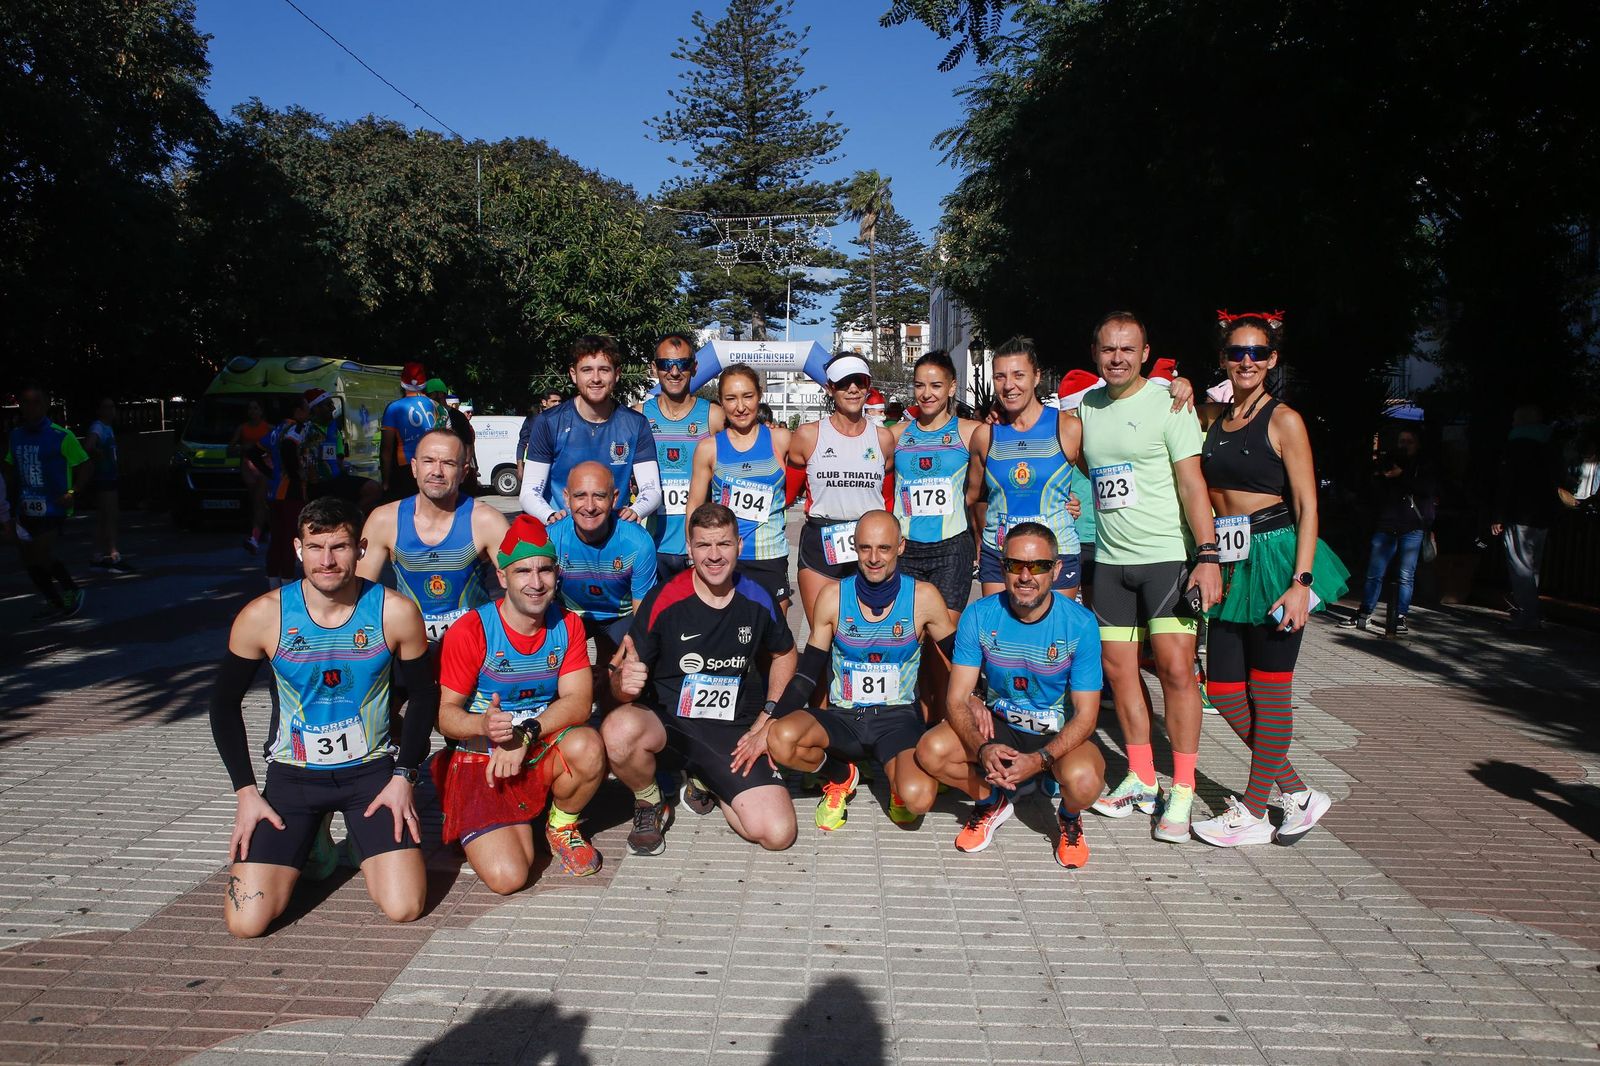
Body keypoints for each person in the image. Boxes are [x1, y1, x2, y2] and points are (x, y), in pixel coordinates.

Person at [207, 496, 436, 938]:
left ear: (361, 548)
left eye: (340, 547)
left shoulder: (395, 611)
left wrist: (404, 776)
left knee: (404, 907)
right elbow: (222, 703)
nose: (327, 560)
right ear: (298, 548)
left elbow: (425, 696)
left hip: (371, 776)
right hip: (293, 778)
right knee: (245, 923)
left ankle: (349, 838)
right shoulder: (263, 615)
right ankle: (314, 843)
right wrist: (246, 792)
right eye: (316, 547)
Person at [1193, 314, 1348, 847]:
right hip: (1231, 561)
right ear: (1223, 358)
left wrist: (1302, 581)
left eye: (1257, 352)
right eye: (1237, 352)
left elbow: (1308, 505)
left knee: (1270, 690)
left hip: (1279, 557)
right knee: (1225, 690)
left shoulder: (1285, 421)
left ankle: (1255, 812)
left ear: (1272, 359)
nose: (1247, 361)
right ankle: (1299, 795)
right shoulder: (1214, 417)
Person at [1079, 312, 1220, 844]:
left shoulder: (1170, 402)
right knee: (1119, 671)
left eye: (1128, 349)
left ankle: (1181, 787)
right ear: (1095, 353)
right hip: (1112, 561)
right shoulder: (1087, 407)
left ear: (1144, 353)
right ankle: (1140, 777)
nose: (1117, 357)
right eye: (1108, 348)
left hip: (1167, 557)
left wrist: (1207, 554)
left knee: (1177, 671)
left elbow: (1192, 484)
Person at [602, 503, 799, 854]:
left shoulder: (758, 597)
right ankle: (650, 802)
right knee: (618, 729)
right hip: (670, 726)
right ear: (689, 550)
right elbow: (620, 677)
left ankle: (708, 779)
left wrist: (768, 719)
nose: (714, 556)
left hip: (731, 731)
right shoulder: (663, 599)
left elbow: (784, 653)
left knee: (777, 833)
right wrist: (622, 683)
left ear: (739, 545)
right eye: (703, 545)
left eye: (723, 544)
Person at [912, 523, 1106, 868]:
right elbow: (956, 699)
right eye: (1015, 565)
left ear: (1056, 570)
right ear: (1002, 568)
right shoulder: (980, 614)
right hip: (1000, 726)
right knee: (931, 752)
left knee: (1086, 780)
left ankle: (1069, 816)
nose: (1026, 576)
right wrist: (981, 747)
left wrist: (1040, 760)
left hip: (1054, 733)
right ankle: (991, 802)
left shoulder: (1080, 623)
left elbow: (1087, 716)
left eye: (1039, 566)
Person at [433, 515, 606, 886]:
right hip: (483, 756)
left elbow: (578, 703)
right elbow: (446, 717)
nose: (536, 582)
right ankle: (455, 793)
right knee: (509, 877)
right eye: (523, 571)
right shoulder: (471, 629)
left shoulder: (568, 624)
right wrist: (483, 725)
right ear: (502, 577)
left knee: (588, 744)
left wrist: (524, 733)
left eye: (545, 570)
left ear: (556, 575)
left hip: (532, 747)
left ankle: (559, 825)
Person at [766, 510, 955, 830]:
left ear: (901, 547)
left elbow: (959, 658)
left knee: (918, 798)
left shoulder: (923, 597)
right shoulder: (834, 596)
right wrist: (768, 722)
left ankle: (897, 783)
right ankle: (841, 775)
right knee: (779, 739)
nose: (874, 558)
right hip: (845, 720)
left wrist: (984, 697)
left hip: (897, 722)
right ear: (854, 547)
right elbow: (808, 673)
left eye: (883, 548)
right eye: (865, 548)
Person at [358, 428, 507, 644]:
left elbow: (519, 584)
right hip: (409, 646)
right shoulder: (384, 520)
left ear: (464, 472)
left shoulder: (487, 521)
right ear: (414, 467)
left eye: (448, 463)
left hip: (474, 645)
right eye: (428, 461)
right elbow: (361, 594)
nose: (437, 471)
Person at [968, 337, 1084, 600]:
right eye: (1000, 377)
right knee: (998, 636)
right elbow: (973, 497)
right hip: (1000, 553)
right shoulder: (985, 435)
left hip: (1057, 552)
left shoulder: (1068, 427)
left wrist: (1072, 500)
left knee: (1053, 636)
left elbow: (1095, 478)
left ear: (1036, 377)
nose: (1009, 385)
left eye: (1018, 375)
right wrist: (979, 538)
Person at [786, 355, 897, 624]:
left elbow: (888, 499)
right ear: (830, 388)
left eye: (859, 381)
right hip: (821, 540)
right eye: (844, 382)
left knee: (869, 631)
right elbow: (787, 494)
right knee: (821, 636)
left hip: (869, 543)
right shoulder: (808, 435)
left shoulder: (882, 439)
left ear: (868, 386)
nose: (853, 389)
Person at [520, 335, 661, 525]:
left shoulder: (637, 424)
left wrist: (636, 510)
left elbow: (651, 490)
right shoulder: (548, 422)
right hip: (560, 531)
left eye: (604, 370)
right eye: (587, 370)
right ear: (573, 374)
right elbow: (529, 492)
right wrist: (551, 516)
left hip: (615, 532)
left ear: (617, 374)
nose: (595, 378)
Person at [687, 364, 791, 612]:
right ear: (721, 402)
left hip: (770, 555)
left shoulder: (781, 439)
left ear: (760, 395)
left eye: (748, 396)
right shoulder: (709, 448)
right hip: (722, 556)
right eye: (731, 399)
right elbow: (694, 506)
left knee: (774, 643)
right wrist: (694, 555)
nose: (741, 407)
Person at [892, 351, 982, 616]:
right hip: (905, 548)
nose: (926, 393)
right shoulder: (896, 435)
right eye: (919, 385)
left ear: (952, 387)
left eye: (936, 385)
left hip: (952, 549)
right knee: (908, 635)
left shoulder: (971, 431)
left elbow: (991, 483)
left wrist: (1067, 497)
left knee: (942, 638)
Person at [544, 461, 657, 669]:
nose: (589, 506)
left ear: (614, 499)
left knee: (625, 676)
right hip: (570, 614)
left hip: (620, 617)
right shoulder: (551, 538)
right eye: (580, 496)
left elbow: (642, 619)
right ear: (566, 498)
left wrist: (614, 668)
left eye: (599, 496)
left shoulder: (638, 543)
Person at [638, 333, 723, 581]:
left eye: (682, 364)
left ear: (694, 367)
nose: (674, 372)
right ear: (654, 368)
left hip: (701, 547)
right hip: (652, 546)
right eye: (665, 364)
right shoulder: (639, 416)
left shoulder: (714, 416)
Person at [1340, 426, 1436, 634]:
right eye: (1401, 441)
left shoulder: (1424, 466)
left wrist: (1401, 476)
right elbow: (1373, 493)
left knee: (1405, 575)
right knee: (1375, 573)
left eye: (1409, 442)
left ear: (1418, 444)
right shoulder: (1388, 462)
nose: (1404, 446)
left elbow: (1427, 490)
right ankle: (1365, 612)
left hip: (1412, 526)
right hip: (1386, 524)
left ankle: (1400, 616)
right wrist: (1380, 476)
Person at [5, 385, 89, 620]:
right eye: (26, 402)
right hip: (25, 506)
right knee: (28, 558)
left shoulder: (62, 435)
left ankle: (72, 589)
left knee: (41, 554)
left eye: (36, 402)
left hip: (53, 506)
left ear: (46, 405)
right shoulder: (16, 435)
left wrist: (73, 491)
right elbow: (11, 469)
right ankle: (53, 599)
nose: (31, 407)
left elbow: (85, 465)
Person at [1491, 405, 1563, 633]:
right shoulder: (1549, 445)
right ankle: (1530, 612)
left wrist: (1499, 515)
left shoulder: (1515, 446)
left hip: (1519, 512)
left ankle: (1527, 615)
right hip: (1542, 514)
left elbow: (1507, 485)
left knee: (1520, 565)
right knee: (1533, 566)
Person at [261, 393, 312, 588]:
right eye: (306, 409)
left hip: (274, 491)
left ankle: (273, 583)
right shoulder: (295, 428)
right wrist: (296, 476)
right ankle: (287, 585)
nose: (308, 414)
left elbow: (253, 450)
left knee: (277, 539)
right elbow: (290, 448)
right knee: (291, 538)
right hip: (289, 490)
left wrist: (270, 471)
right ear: (297, 411)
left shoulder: (277, 429)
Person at [303, 389, 380, 511]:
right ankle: (350, 519)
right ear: (316, 409)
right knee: (371, 489)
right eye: (328, 405)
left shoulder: (333, 429)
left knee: (373, 489)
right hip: (319, 484)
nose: (333, 408)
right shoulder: (307, 431)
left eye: (332, 404)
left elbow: (337, 457)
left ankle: (351, 519)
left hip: (336, 479)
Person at [380, 363, 446, 502]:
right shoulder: (437, 407)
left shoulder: (394, 408)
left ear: (402, 383)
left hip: (406, 468)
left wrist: (385, 482)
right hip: (433, 465)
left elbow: (386, 449)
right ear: (424, 383)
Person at [85, 397, 130, 572]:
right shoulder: (98, 427)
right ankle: (113, 555)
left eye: (113, 406)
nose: (111, 410)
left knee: (105, 517)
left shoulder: (107, 428)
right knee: (110, 516)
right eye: (107, 407)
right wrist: (99, 454)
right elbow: (88, 446)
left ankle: (98, 556)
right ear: (99, 410)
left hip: (109, 476)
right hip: (103, 478)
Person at [232, 400, 274, 554]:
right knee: (258, 503)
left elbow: (277, 445)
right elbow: (231, 447)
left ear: (261, 411)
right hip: (248, 467)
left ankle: (256, 537)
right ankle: (267, 533)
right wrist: (244, 447)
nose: (253, 411)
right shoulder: (242, 428)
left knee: (260, 501)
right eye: (250, 408)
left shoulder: (269, 428)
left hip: (264, 467)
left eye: (256, 408)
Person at [426, 379, 478, 492]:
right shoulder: (458, 416)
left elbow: (469, 444)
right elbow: (469, 444)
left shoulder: (457, 417)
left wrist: (465, 467)